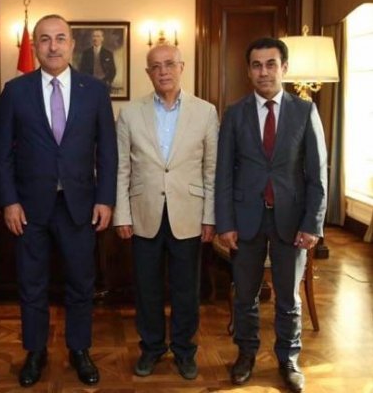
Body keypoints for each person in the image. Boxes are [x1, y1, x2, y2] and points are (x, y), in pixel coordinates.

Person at [0, 14, 117, 387]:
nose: (53, 46)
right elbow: (1, 154)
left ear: (72, 44)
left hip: (80, 205)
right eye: (45, 39)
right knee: (31, 283)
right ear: (34, 45)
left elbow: (107, 151)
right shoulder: (15, 91)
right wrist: (9, 201)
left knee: (81, 282)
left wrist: (105, 199)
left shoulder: (94, 90)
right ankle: (35, 352)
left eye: (60, 38)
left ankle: (79, 349)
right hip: (29, 207)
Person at [215, 37, 327, 393]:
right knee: (245, 295)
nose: (263, 72)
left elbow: (318, 174)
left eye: (271, 64)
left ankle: (288, 359)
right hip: (245, 220)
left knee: (288, 297)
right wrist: (225, 222)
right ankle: (246, 354)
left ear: (284, 68)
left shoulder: (305, 111)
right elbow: (223, 173)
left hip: (291, 221)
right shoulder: (234, 113)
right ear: (249, 71)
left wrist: (313, 223)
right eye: (256, 65)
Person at [113, 43, 218, 381]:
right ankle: (152, 348)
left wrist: (210, 216)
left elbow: (211, 170)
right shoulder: (130, 113)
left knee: (187, 290)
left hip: (189, 213)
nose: (163, 71)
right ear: (148, 73)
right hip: (144, 214)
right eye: (155, 66)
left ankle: (185, 351)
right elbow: (121, 169)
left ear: (181, 67)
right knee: (147, 289)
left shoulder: (206, 112)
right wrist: (122, 215)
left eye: (169, 64)